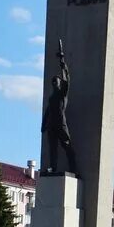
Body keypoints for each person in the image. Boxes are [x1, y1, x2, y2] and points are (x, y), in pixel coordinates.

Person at [41, 43, 78, 176]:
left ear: (59, 83)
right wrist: (43, 125)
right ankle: (52, 167)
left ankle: (73, 167)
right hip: (51, 125)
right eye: (53, 82)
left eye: (56, 81)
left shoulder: (63, 94)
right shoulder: (52, 97)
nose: (54, 83)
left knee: (67, 145)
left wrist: (63, 63)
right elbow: (48, 111)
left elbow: (67, 79)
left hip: (61, 125)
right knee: (52, 149)